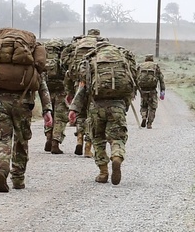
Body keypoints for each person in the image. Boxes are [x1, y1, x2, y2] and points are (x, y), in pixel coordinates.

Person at [0, 28, 53, 193]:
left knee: (1, 139)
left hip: (0, 101)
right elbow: (41, 85)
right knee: (21, 140)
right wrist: (47, 109)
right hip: (24, 102)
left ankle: (2, 167)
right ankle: (18, 179)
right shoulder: (30, 56)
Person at [68, 41, 137, 185]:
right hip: (117, 106)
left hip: (96, 106)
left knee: (98, 139)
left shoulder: (91, 60)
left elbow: (83, 87)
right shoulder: (123, 60)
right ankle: (117, 156)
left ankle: (103, 172)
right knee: (117, 137)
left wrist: (74, 108)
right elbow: (131, 87)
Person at [62, 28, 105, 157]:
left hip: (78, 82)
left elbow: (67, 67)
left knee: (80, 114)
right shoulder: (100, 44)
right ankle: (88, 148)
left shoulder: (78, 44)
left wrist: (69, 92)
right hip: (93, 84)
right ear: (98, 35)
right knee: (91, 115)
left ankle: (79, 139)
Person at [42, 38, 69, 154]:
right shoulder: (63, 54)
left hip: (47, 87)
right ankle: (55, 142)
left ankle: (48, 136)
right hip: (61, 88)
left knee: (48, 112)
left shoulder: (43, 54)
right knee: (60, 115)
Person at [136, 54, 165, 129]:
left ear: (145, 59)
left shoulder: (140, 66)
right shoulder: (155, 66)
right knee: (153, 107)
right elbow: (161, 79)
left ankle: (144, 116)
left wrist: (135, 90)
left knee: (143, 106)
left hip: (143, 90)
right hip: (152, 90)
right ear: (152, 59)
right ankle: (149, 123)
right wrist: (162, 91)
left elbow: (135, 77)